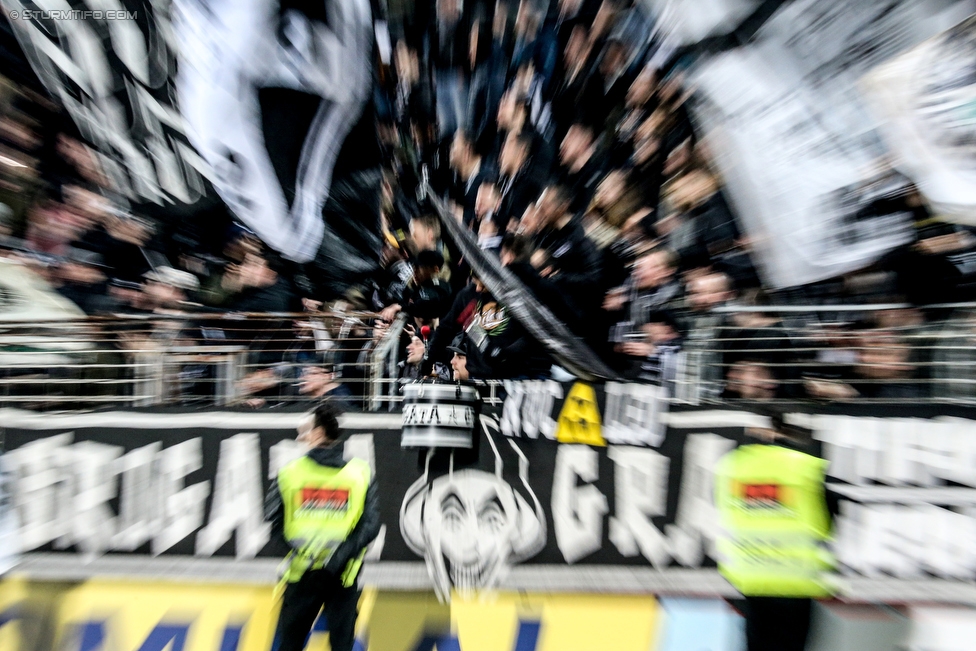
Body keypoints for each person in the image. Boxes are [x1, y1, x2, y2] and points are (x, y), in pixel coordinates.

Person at [266, 403, 381, 651]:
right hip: (343, 575)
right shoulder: (361, 473)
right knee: (342, 646)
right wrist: (335, 561)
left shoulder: (288, 473)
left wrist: (306, 555)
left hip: (302, 575)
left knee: (289, 645)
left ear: (318, 432)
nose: (301, 436)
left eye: (305, 430)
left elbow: (274, 522)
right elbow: (370, 526)